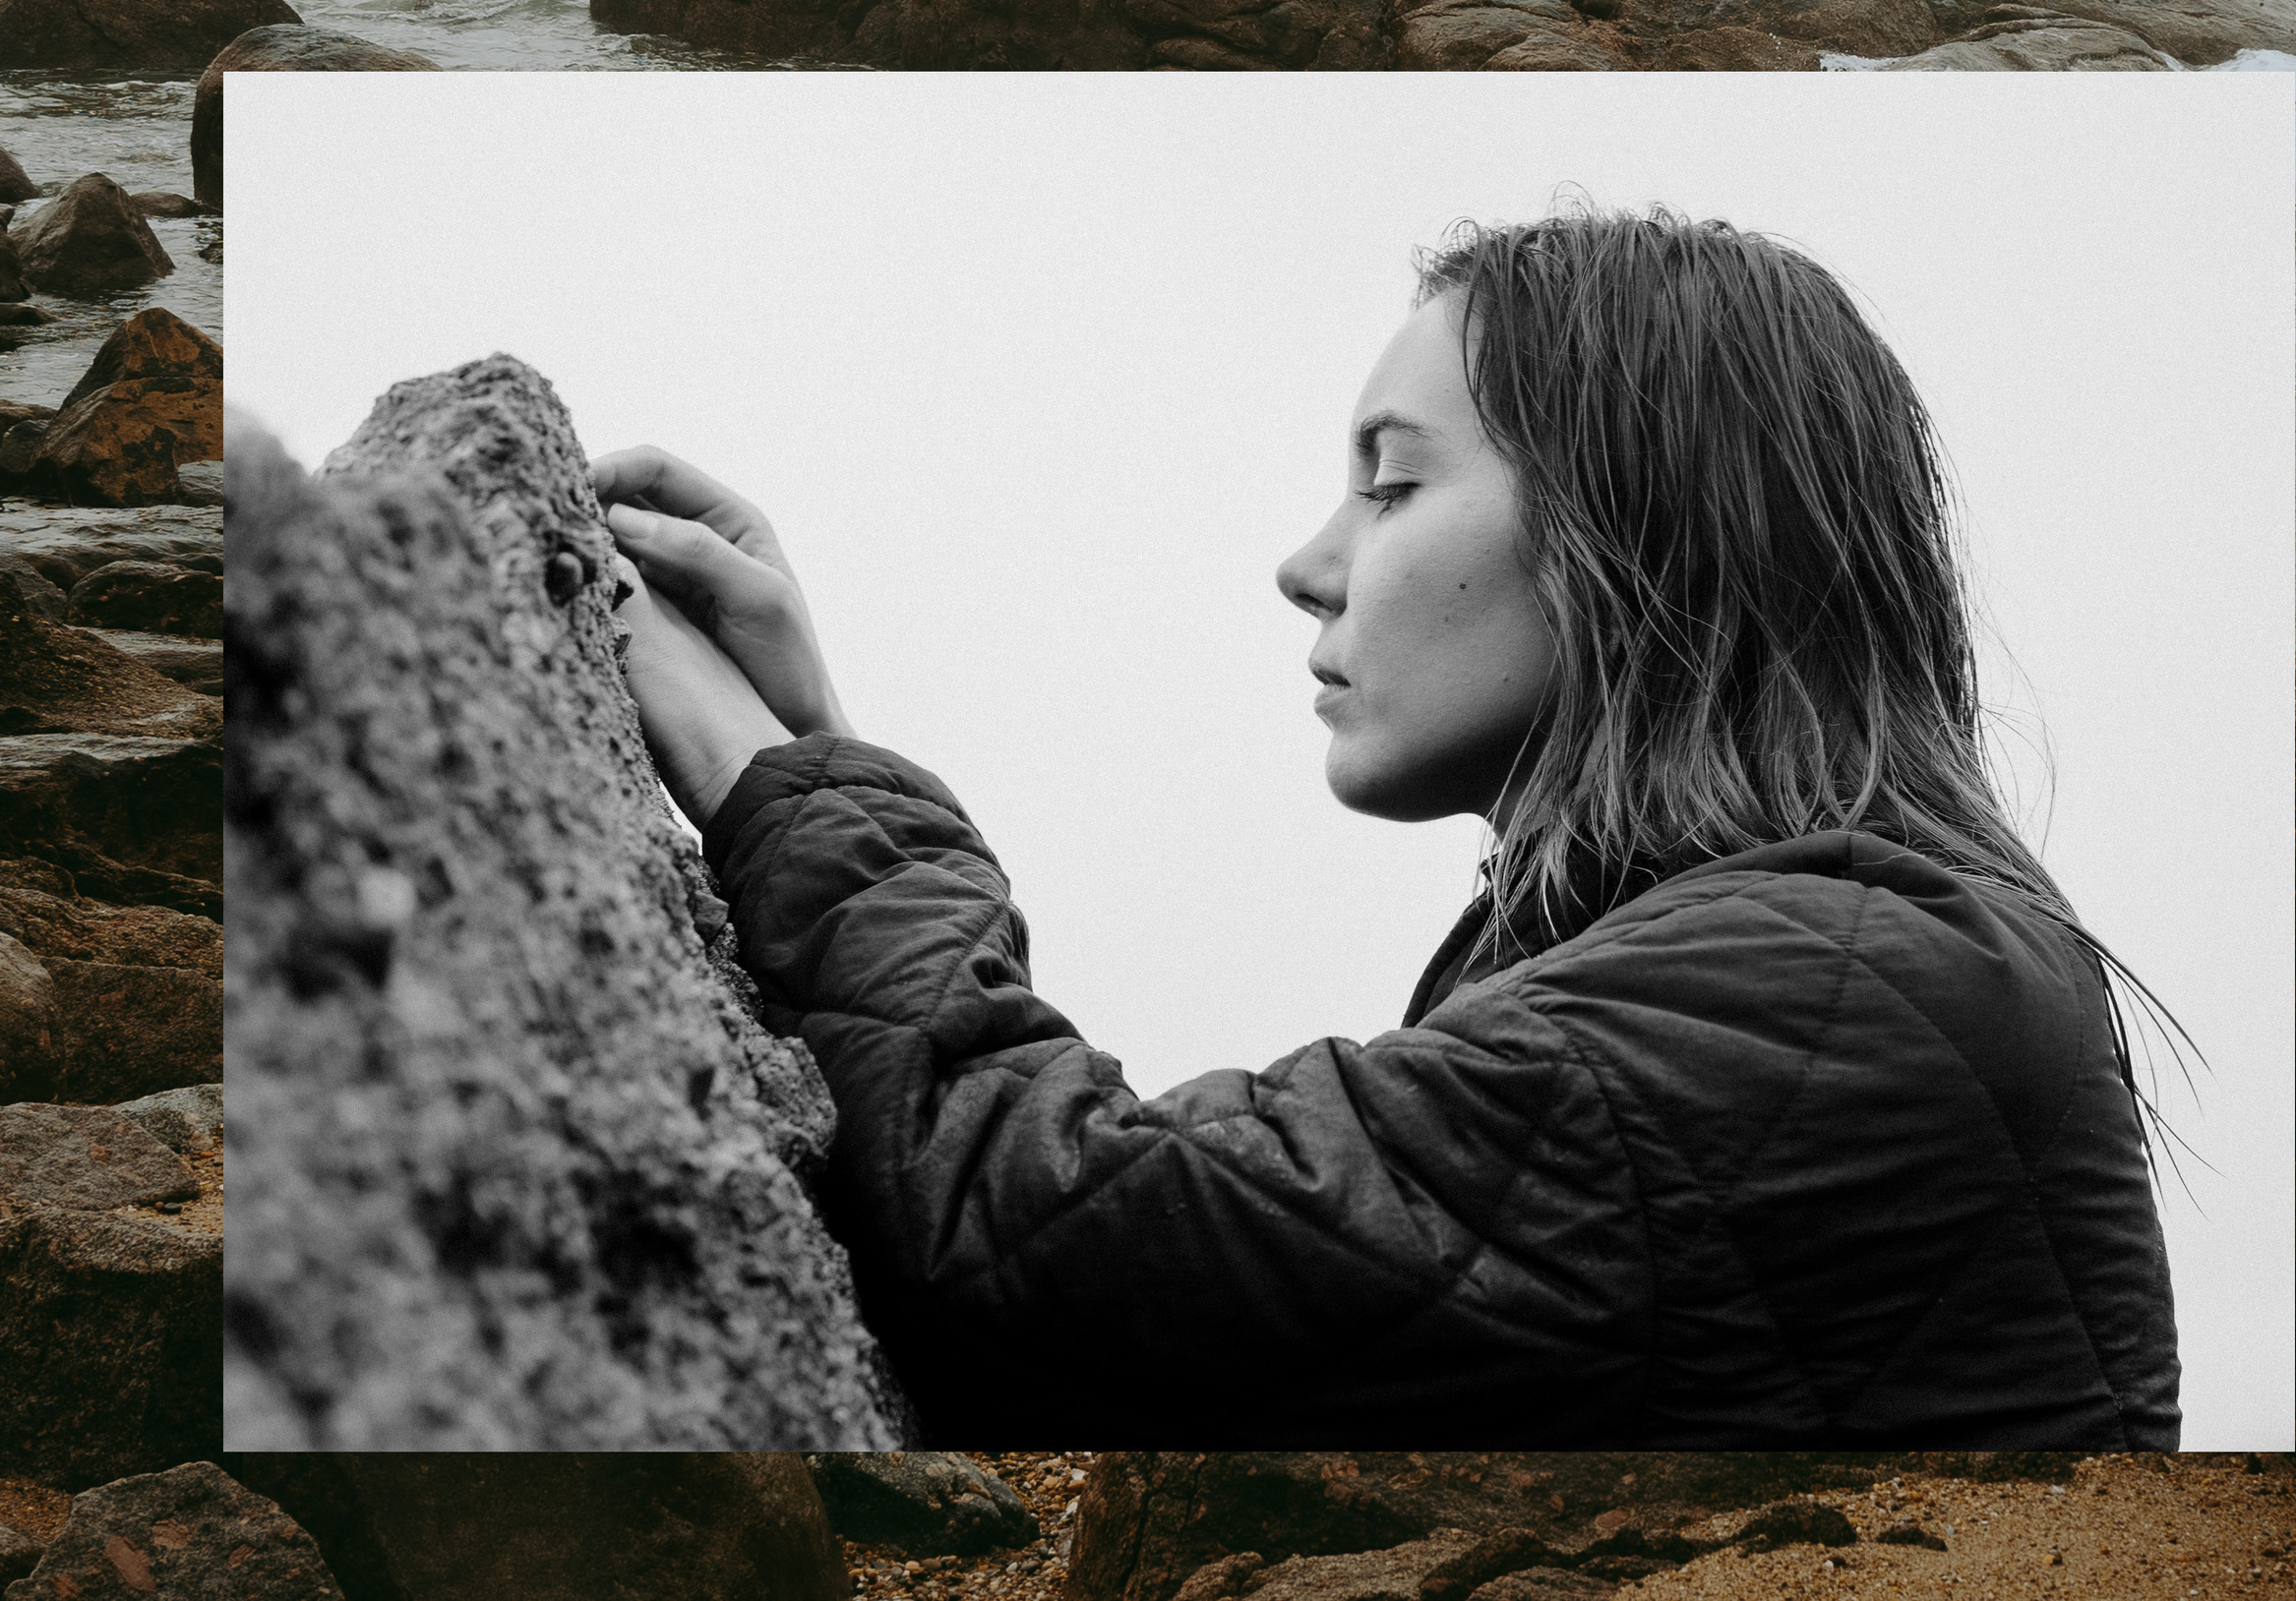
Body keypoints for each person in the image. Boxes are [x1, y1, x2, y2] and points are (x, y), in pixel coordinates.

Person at [596, 205, 2183, 1447]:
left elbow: (1047, 1247)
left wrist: (748, 768)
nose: (1308, 566)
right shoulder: (1803, 964)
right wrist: (818, 756)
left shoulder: (1827, 993)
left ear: (1635, 531)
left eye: (1391, 484)